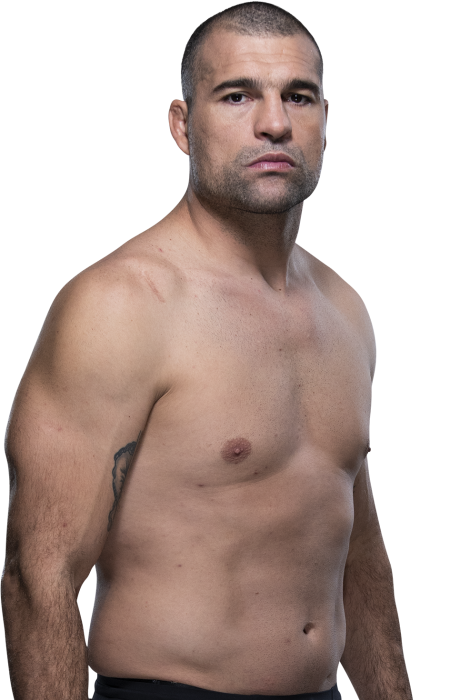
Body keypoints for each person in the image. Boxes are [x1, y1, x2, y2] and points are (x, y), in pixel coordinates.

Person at [1, 3, 412, 700]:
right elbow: (38, 577)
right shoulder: (122, 306)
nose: (274, 123)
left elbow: (356, 553)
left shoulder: (345, 309)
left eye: (298, 96)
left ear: (325, 120)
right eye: (237, 96)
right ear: (182, 125)